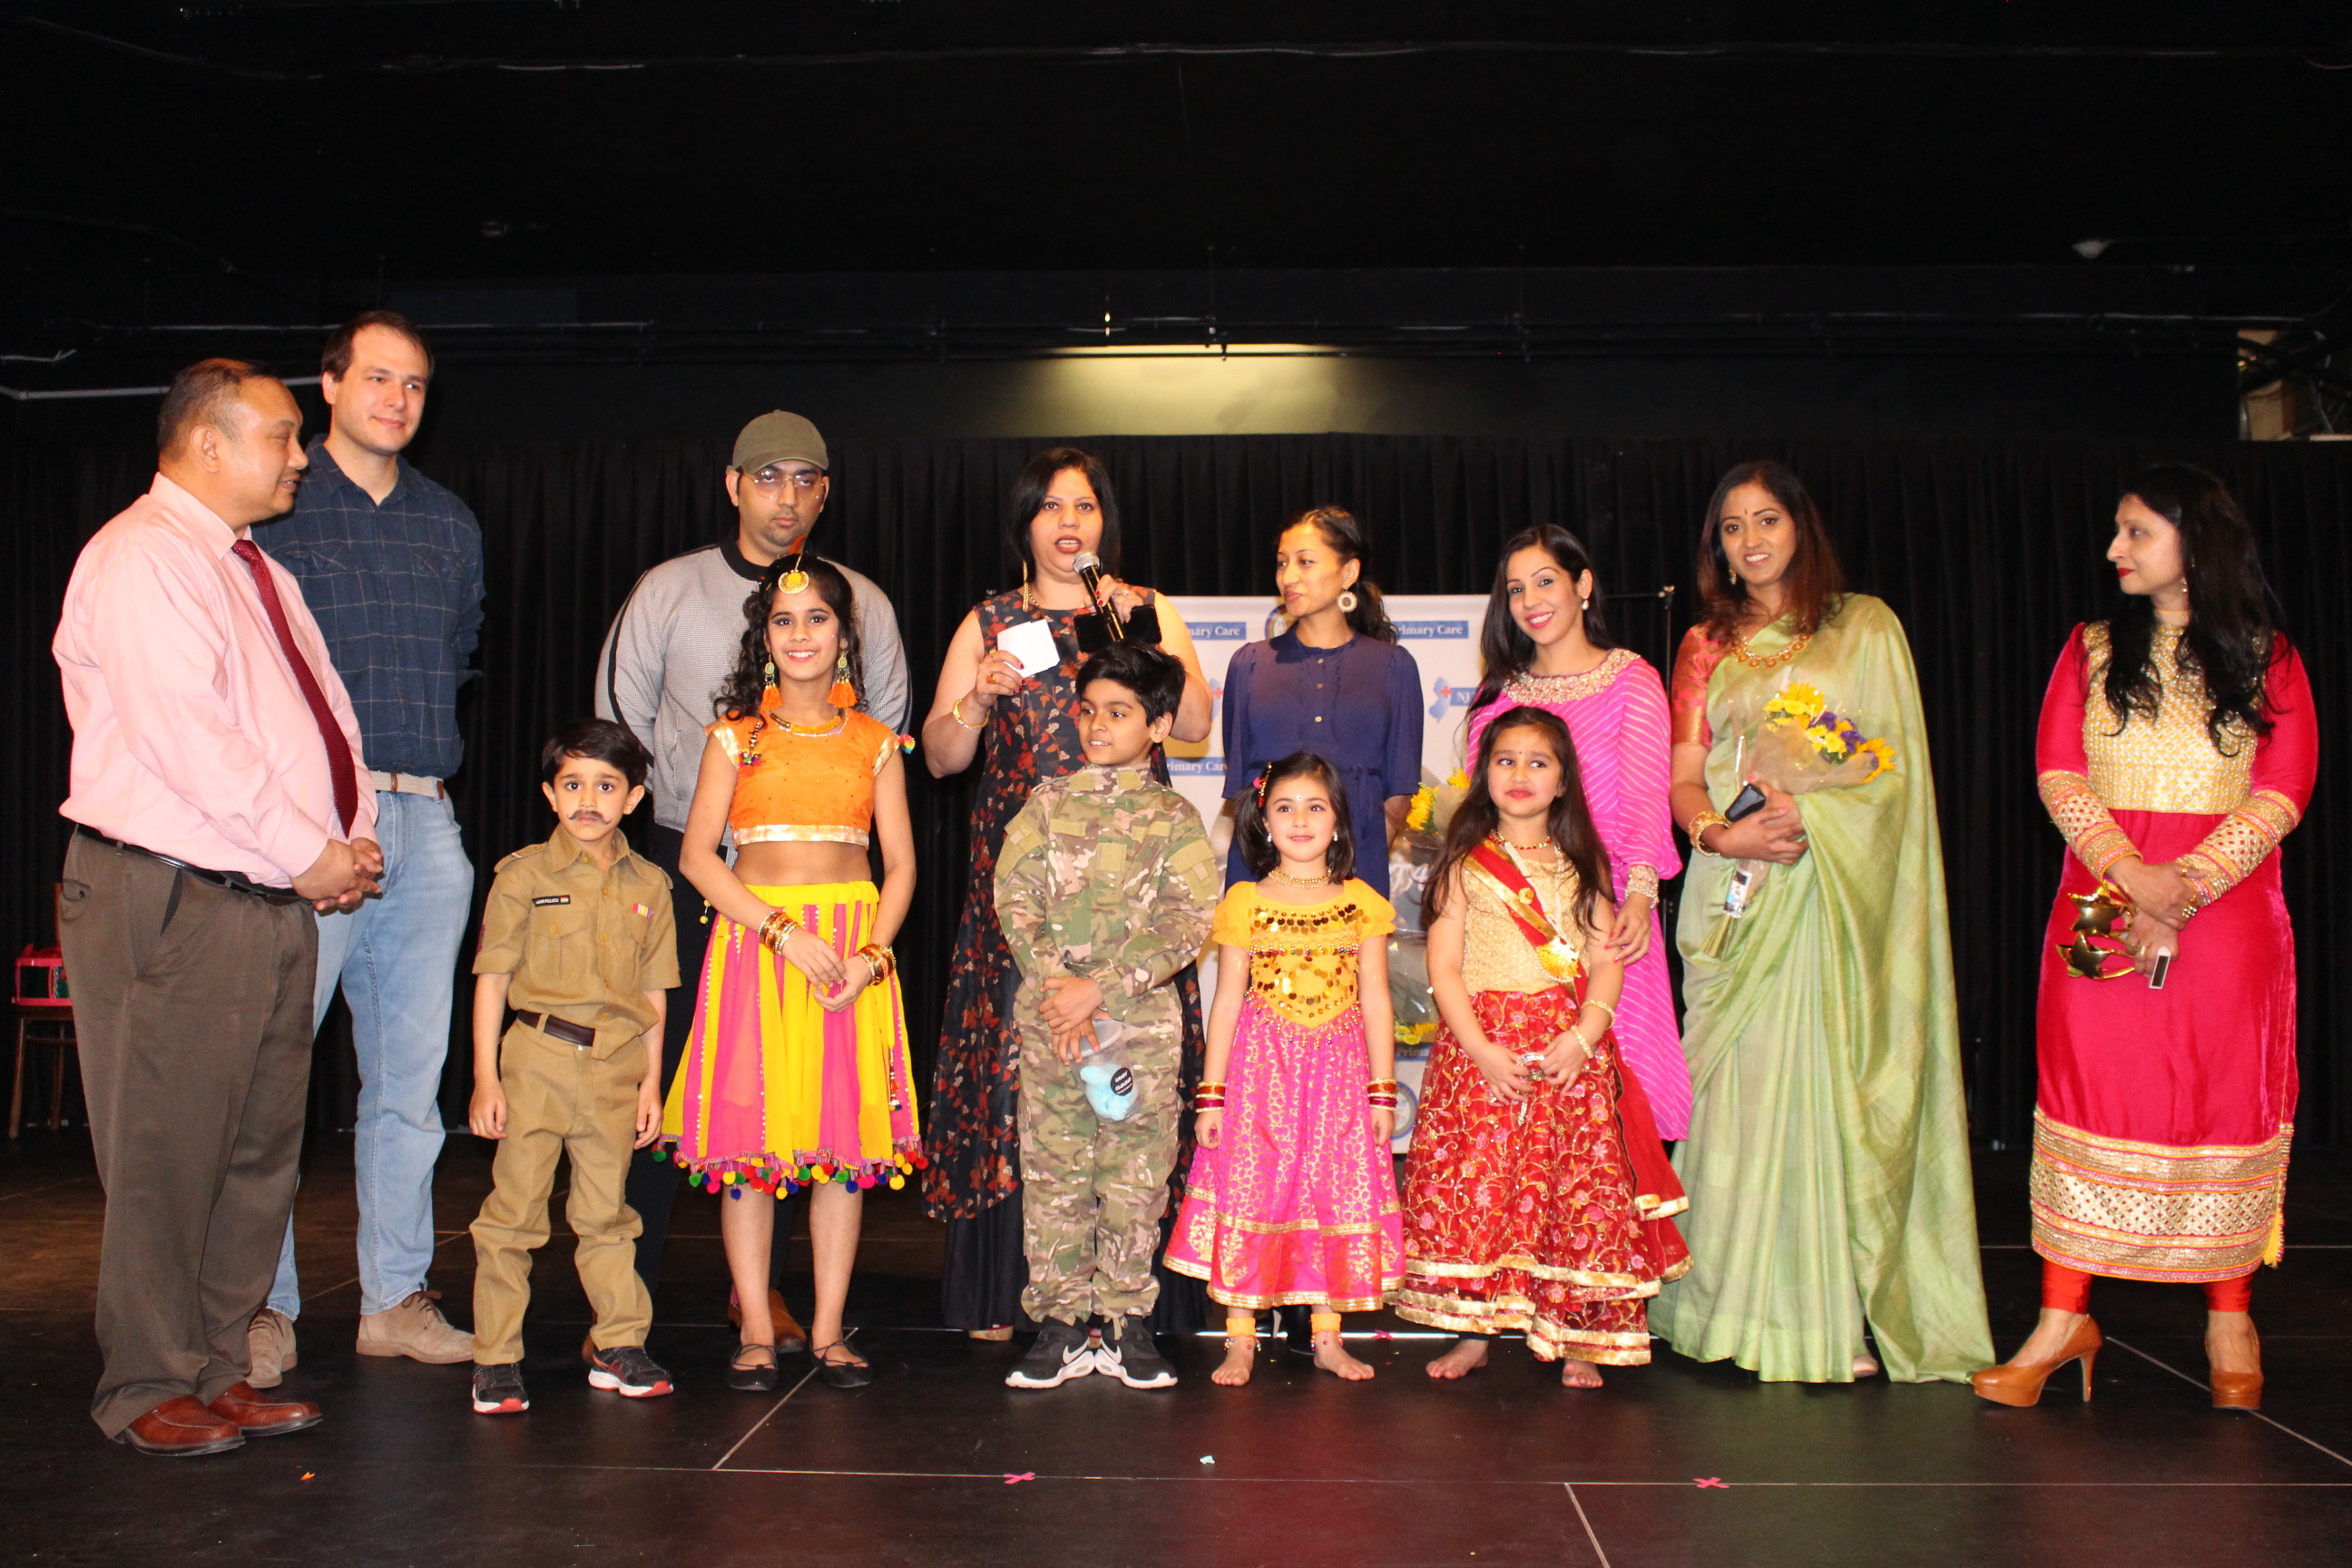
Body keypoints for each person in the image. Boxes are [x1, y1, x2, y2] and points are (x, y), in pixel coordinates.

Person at [54, 358, 382, 1454]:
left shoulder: (256, 568)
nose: (301, 458)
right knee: (167, 1151)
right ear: (207, 443)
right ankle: (146, 1382)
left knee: (254, 1155)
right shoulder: (143, 557)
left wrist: (352, 833)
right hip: (176, 891)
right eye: (283, 436)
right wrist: (307, 853)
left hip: (268, 896)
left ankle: (216, 1363)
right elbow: (188, 738)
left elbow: (326, 714)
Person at [1974, 466, 2314, 1412]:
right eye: (2117, 531)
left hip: (2228, 913)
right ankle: (2061, 1320)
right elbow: (2057, 772)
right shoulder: (2089, 650)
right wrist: (2135, 877)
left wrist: (2187, 887)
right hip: (2101, 902)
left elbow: (2285, 790)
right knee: (2089, 1088)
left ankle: (2230, 1316)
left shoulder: (2269, 656)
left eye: (2136, 532)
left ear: (2194, 542)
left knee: (2218, 1095)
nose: (2114, 550)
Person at [1651, 459, 1992, 1384]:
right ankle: (1719, 1307)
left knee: (1820, 1092)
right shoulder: (1704, 645)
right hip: (1736, 894)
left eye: (1766, 520)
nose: (1750, 540)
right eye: (1731, 527)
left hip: (1829, 892)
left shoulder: (1864, 627)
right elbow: (1683, 779)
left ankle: (1824, 1317)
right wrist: (1725, 833)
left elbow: (1894, 778)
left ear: (1801, 526)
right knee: (1737, 1099)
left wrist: (1815, 813)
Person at [597, 410, 907, 1348]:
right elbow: (618, 725)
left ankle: (762, 1301)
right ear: (733, 485)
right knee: (673, 1079)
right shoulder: (670, 589)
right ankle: (626, 1304)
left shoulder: (864, 600)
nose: (787, 495)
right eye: (767, 476)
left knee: (812, 1100)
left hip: (832, 896)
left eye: (806, 478)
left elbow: (880, 734)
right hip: (679, 855)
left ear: (825, 492)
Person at [918, 447, 1213, 1339]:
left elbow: (1197, 727)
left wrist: (1142, 637)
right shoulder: (991, 621)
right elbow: (942, 758)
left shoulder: (1142, 606)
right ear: (1025, 523)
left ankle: (1132, 1298)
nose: (1068, 521)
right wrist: (976, 699)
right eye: (1050, 507)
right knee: (1032, 1070)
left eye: (1083, 506)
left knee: (1129, 1080)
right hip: (1033, 891)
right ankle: (1020, 1294)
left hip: (1133, 890)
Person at [253, 310, 485, 1379]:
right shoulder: (279, 508)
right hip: (305, 822)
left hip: (424, 816)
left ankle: (393, 1298)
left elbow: (461, 652)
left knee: (410, 1084)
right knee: (272, 1077)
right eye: (379, 378)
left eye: (416, 384)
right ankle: (260, 1308)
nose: (398, 400)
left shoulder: (450, 522)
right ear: (331, 385)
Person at [662, 554, 920, 1392]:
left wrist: (871, 957)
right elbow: (698, 858)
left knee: (842, 1150)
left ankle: (831, 1331)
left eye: (817, 619)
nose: (800, 634)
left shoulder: (877, 742)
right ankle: (755, 1332)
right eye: (783, 620)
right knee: (749, 1149)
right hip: (759, 950)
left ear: (844, 636)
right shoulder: (734, 738)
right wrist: (781, 933)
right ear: (763, 638)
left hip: (851, 958)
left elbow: (902, 866)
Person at [1398, 708, 1687, 1387]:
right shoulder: (1464, 865)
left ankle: (1580, 1332)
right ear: (1484, 776)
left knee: (1574, 1192)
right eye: (1506, 760)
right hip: (1483, 1053)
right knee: (1481, 1187)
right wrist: (1479, 1049)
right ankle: (1474, 1330)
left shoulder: (1581, 865)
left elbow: (1606, 959)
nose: (1520, 774)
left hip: (1567, 1054)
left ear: (1563, 781)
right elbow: (1444, 968)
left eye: (1538, 762)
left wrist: (1585, 1037)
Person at [993, 643, 1221, 1390]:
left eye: (1119, 713)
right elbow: (1014, 900)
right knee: (1054, 1171)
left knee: (1134, 1175)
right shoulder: (1046, 806)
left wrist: (1102, 986)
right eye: (1088, 710)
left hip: (1138, 1030)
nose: (1097, 726)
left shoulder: (1175, 818)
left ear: (1158, 726)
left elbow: (1188, 920)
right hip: (1054, 1024)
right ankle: (1060, 1322)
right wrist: (1059, 986)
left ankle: (1126, 1320)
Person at [1166, 752, 1405, 1386]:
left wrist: (1382, 1093)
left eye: (1315, 807)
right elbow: (1226, 1000)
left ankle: (1326, 1335)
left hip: (1339, 1080)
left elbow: (1376, 1000)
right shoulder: (1245, 901)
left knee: (1332, 1192)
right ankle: (1241, 1337)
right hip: (1259, 1077)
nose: (1300, 820)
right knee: (1254, 1189)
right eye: (1285, 808)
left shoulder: (1362, 903)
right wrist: (1211, 1096)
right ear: (1263, 822)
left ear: (1339, 820)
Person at [466, 720, 679, 1415]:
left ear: (635, 797)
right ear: (550, 795)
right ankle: (497, 1356)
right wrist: (486, 1078)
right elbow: (492, 978)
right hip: (537, 1060)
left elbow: (655, 993)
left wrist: (652, 1083)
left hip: (615, 1067)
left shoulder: (651, 884)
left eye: (606, 786)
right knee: (514, 1215)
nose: (589, 800)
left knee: (608, 1215)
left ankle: (619, 1343)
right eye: (573, 784)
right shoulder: (523, 875)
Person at [1464, 525, 1689, 1137]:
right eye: (1515, 589)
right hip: (1511, 920)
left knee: (1616, 1096)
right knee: (1517, 1111)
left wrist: (1638, 898)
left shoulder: (1630, 680)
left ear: (1583, 584)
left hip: (1606, 912)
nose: (1530, 601)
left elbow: (1645, 801)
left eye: (1545, 582)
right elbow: (1480, 816)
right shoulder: (1497, 694)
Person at [1221, 506, 1424, 898]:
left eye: (1305, 562)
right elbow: (1242, 787)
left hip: (1356, 874)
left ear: (1349, 572)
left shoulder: (1393, 666)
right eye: (1282, 563)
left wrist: (1352, 868)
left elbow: (1399, 792)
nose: (1288, 577)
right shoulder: (1249, 664)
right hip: (1260, 873)